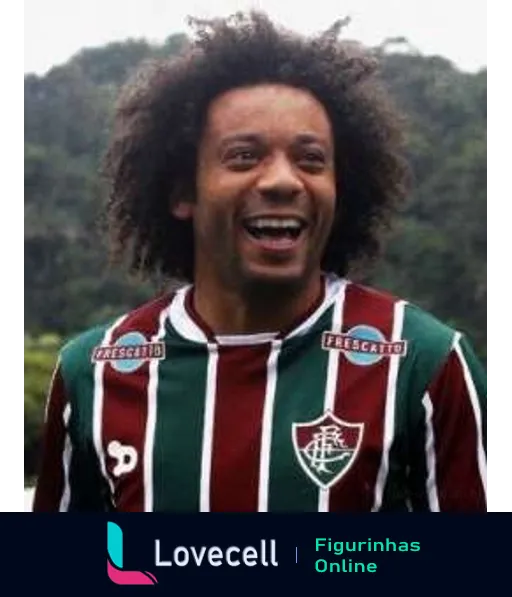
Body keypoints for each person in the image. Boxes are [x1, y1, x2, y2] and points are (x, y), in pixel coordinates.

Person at [32, 11, 487, 512]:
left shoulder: (424, 364)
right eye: (244, 157)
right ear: (184, 190)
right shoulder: (94, 372)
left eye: (311, 160)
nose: (283, 181)